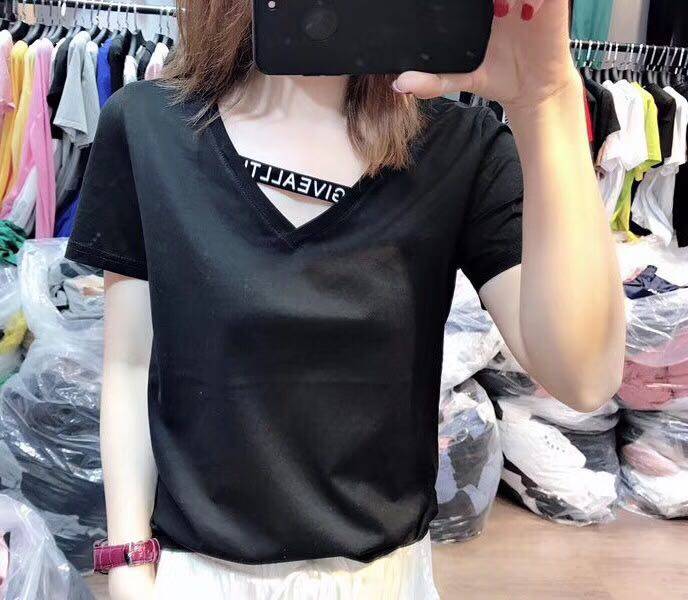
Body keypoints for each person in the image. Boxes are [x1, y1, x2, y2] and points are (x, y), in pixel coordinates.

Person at [65, 0, 626, 598]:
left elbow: (585, 377)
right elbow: (130, 366)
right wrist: (128, 563)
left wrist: (546, 100)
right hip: (198, 578)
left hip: (384, 580)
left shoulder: (460, 149)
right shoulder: (149, 128)